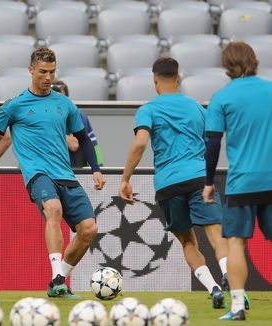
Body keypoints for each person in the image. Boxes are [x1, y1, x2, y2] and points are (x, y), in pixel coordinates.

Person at [0, 48, 105, 297]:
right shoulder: (15, 105)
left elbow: (83, 139)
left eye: (52, 72)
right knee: (53, 210)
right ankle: (59, 279)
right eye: (43, 72)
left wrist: (96, 170)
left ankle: (58, 279)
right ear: (31, 71)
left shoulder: (65, 104)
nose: (48, 77)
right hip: (38, 174)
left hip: (65, 175)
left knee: (89, 229)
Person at [119, 57, 232, 309]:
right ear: (179, 78)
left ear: (154, 79)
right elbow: (213, 142)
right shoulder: (197, 108)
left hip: (168, 184)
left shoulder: (148, 109)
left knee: (188, 242)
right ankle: (227, 273)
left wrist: (125, 178)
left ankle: (213, 287)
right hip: (199, 176)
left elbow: (140, 143)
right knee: (215, 234)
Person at [203, 41, 272, 321]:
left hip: (242, 182)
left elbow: (212, 144)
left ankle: (237, 308)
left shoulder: (222, 97)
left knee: (235, 243)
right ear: (254, 61)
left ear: (226, 65)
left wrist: (209, 182)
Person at [50, 80, 103, 168]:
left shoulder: (77, 114)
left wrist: (98, 168)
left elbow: (76, 144)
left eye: (60, 99)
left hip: (74, 172)